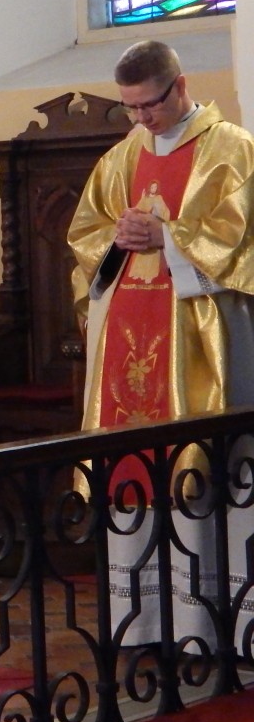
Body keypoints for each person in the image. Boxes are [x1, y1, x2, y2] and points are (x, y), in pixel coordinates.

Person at [68, 40, 254, 644]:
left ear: (180, 86)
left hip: (199, 340)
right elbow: (85, 234)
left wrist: (168, 238)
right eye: (130, 107)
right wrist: (118, 237)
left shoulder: (233, 150)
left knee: (199, 465)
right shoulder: (122, 155)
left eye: (149, 104)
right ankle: (141, 624)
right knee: (130, 468)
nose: (141, 118)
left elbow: (241, 244)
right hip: (127, 335)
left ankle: (209, 625)